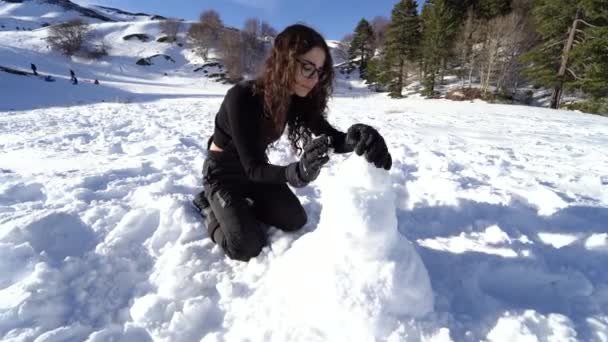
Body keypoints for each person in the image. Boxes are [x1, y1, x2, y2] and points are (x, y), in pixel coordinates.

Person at [193, 24, 392, 262]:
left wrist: (360, 137)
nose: (314, 78)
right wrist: (295, 173)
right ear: (284, 61)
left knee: (295, 219)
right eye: (307, 67)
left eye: (319, 71)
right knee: (245, 246)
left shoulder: (294, 98)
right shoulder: (242, 97)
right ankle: (208, 206)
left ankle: (236, 208)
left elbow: (331, 136)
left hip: (255, 173)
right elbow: (253, 167)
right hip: (223, 172)